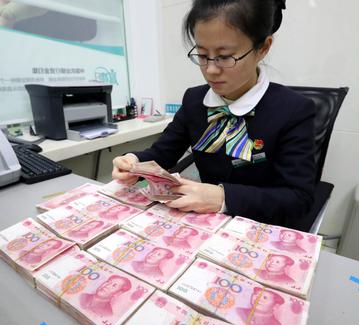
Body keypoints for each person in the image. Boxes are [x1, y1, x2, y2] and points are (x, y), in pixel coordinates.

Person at [112, 0, 316, 226]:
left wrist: (222, 197)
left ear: (263, 48)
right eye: (202, 55)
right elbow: (163, 152)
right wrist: (134, 162)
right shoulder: (194, 100)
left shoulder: (294, 110)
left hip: (260, 226)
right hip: (202, 224)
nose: (210, 70)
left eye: (225, 57)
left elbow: (298, 199)